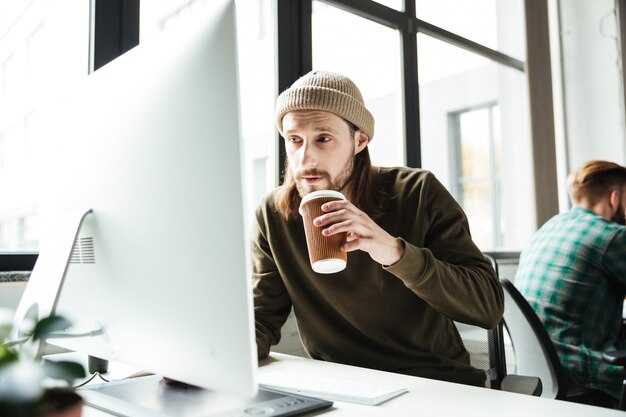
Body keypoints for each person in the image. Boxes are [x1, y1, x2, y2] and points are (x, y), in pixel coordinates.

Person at [251, 70, 504, 387]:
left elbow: (488, 308)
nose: (306, 158)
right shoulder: (273, 216)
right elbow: (262, 319)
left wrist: (395, 252)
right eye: (294, 140)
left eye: (323, 138)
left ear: (359, 141)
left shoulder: (417, 192)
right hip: (340, 386)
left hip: (434, 382)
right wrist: (212, 359)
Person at [515, 160, 626, 406]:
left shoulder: (547, 229)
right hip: (586, 378)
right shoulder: (612, 236)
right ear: (615, 198)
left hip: (540, 376)